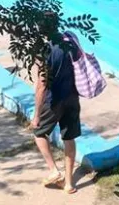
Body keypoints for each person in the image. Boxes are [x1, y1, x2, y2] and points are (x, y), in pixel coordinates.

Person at [32, 35, 82, 194]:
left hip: (53, 101)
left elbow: (41, 86)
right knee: (69, 138)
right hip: (72, 98)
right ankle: (69, 184)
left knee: (38, 132)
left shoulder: (45, 50)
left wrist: (37, 115)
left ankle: (54, 170)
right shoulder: (71, 44)